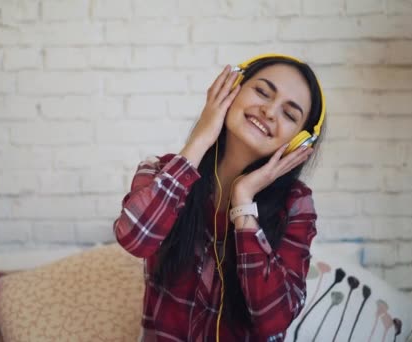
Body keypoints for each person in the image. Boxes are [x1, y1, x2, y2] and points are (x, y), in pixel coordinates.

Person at [113, 53, 326, 341]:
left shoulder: (296, 204)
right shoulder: (160, 172)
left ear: (298, 142)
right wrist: (200, 139)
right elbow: (134, 238)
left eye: (289, 114)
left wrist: (243, 202)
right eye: (262, 92)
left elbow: (274, 319)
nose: (269, 112)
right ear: (231, 89)